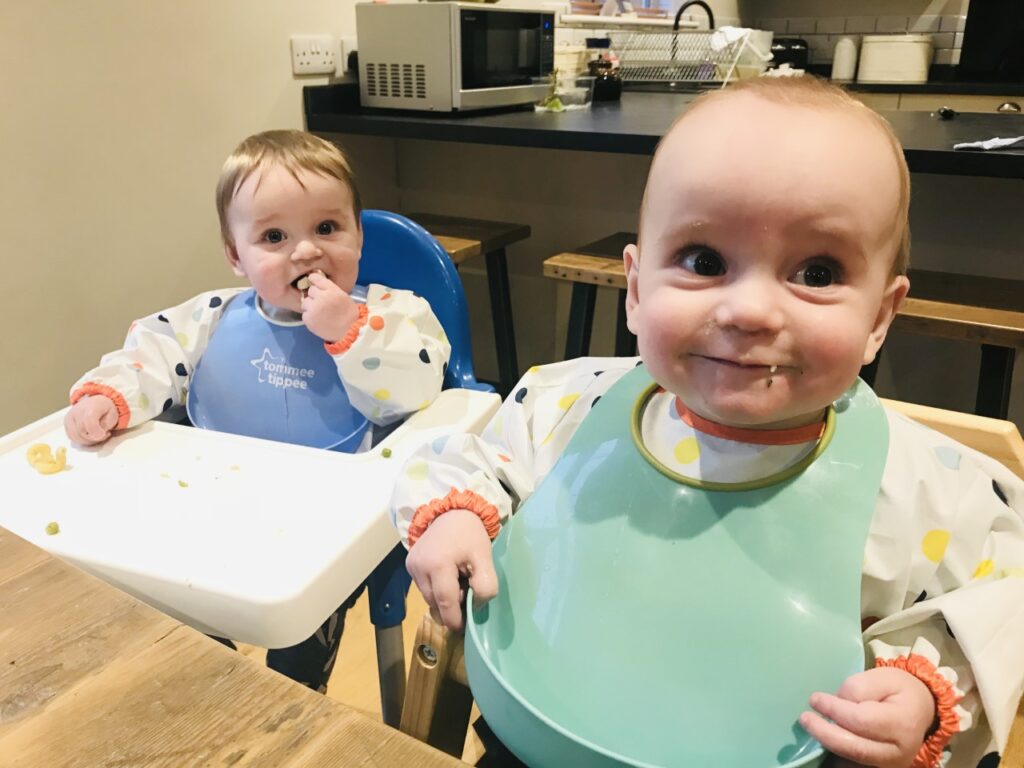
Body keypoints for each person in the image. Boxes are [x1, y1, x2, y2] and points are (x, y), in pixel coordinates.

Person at [391, 77, 1024, 768]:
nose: (750, 310)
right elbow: (471, 459)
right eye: (704, 261)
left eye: (816, 271)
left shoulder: (928, 491)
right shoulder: (566, 409)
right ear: (635, 289)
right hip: (545, 726)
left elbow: (1004, 601)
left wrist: (924, 689)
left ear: (879, 317)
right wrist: (453, 517)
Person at [66, 129, 451, 692]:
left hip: (325, 521)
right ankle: (214, 674)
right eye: (274, 235)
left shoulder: (394, 316)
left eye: (328, 228)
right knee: (155, 593)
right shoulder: (215, 316)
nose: (307, 251)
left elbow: (419, 387)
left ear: (358, 235)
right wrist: (110, 394)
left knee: (297, 621)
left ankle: (292, 695)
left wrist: (351, 333)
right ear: (235, 256)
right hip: (210, 501)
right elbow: (152, 350)